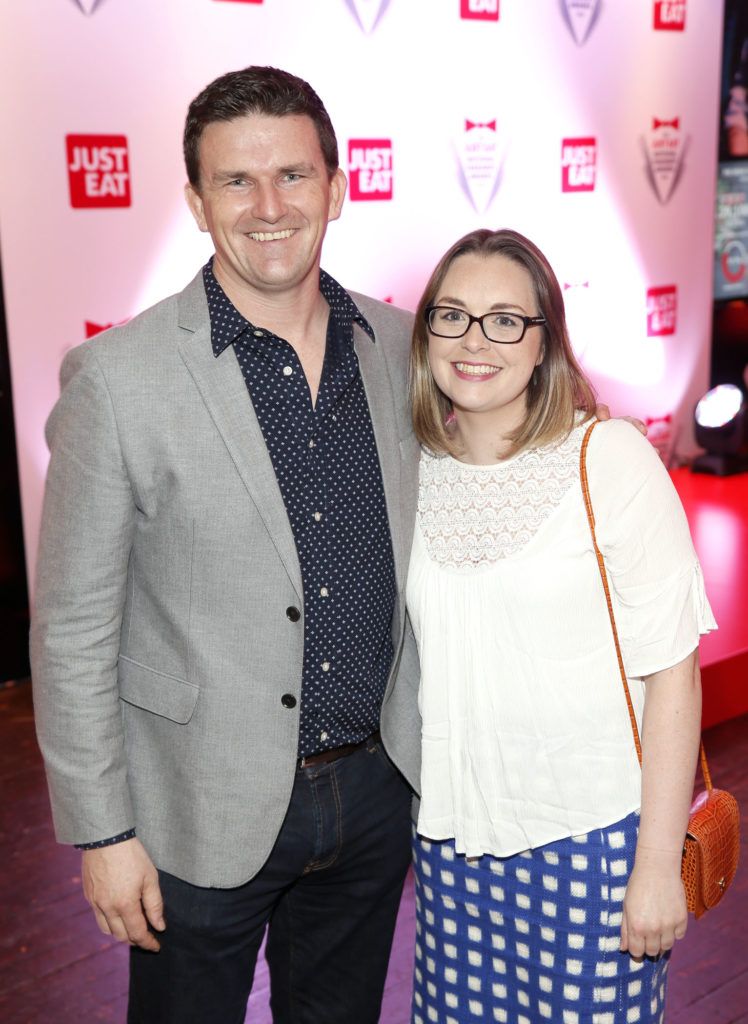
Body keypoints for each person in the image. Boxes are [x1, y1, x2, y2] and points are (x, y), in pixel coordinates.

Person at [30, 65, 423, 1024]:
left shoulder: (406, 350)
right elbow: (73, 628)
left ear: (337, 187)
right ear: (199, 203)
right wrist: (103, 833)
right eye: (236, 183)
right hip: (195, 808)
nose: (268, 207)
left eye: (292, 175)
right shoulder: (117, 380)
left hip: (376, 790)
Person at [406, 228, 715, 1024]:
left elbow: (674, 674)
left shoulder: (606, 459)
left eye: (506, 319)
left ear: (544, 343)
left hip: (591, 846)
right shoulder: (413, 472)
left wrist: (654, 867)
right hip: (452, 847)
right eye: (453, 316)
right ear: (427, 333)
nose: (475, 341)